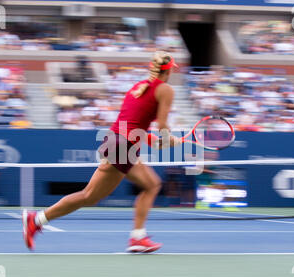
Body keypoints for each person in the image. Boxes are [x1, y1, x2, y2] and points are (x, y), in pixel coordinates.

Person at [23, 51, 180, 252]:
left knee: (94, 195)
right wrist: (167, 140)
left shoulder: (138, 88)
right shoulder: (166, 89)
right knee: (104, 193)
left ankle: (36, 220)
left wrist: (158, 142)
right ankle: (137, 237)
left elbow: (133, 125)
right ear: (168, 72)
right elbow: (162, 124)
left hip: (116, 141)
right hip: (123, 145)